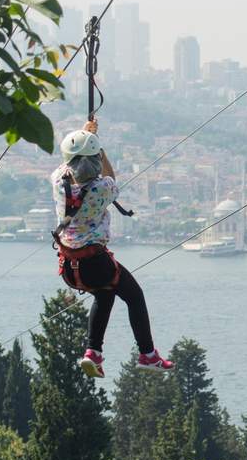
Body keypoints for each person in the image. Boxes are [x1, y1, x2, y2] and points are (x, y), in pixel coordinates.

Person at [52, 118, 173, 378]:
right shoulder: (100, 189)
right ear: (95, 159)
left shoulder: (57, 183)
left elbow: (69, 162)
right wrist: (98, 147)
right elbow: (110, 177)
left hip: (68, 268)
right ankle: (148, 354)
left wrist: (85, 136)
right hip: (95, 263)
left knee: (105, 295)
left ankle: (92, 353)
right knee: (134, 296)